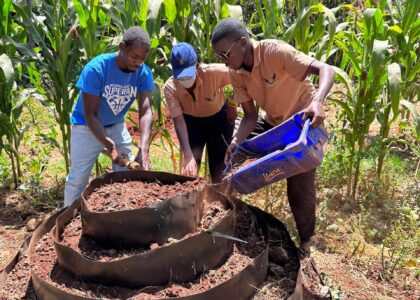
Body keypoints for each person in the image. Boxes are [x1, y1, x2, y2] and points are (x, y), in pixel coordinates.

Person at [211, 18, 335, 256]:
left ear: (243, 42)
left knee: (299, 187)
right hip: (272, 122)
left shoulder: (274, 52)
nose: (224, 61)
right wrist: (236, 142)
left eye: (226, 54)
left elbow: (325, 69)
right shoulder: (236, 72)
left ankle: (307, 241)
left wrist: (318, 102)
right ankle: (221, 219)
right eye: (219, 57)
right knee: (231, 166)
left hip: (302, 123)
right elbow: (249, 116)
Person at [64, 26, 155, 207]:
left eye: (142, 59)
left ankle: (122, 214)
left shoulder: (143, 73)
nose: (138, 63)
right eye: (134, 57)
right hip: (86, 127)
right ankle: (64, 220)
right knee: (78, 178)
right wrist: (111, 147)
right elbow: (90, 114)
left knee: (126, 175)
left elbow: (145, 111)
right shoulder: (97, 69)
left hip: (116, 124)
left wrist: (144, 149)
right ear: (122, 47)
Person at [163, 42, 237, 183]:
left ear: (196, 64)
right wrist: (188, 155)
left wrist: (233, 104)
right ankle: (192, 201)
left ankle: (219, 199)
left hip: (219, 120)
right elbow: (179, 122)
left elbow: (241, 77)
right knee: (189, 172)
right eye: (181, 76)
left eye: (188, 74)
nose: (185, 80)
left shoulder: (213, 72)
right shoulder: (170, 88)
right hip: (191, 123)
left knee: (219, 169)